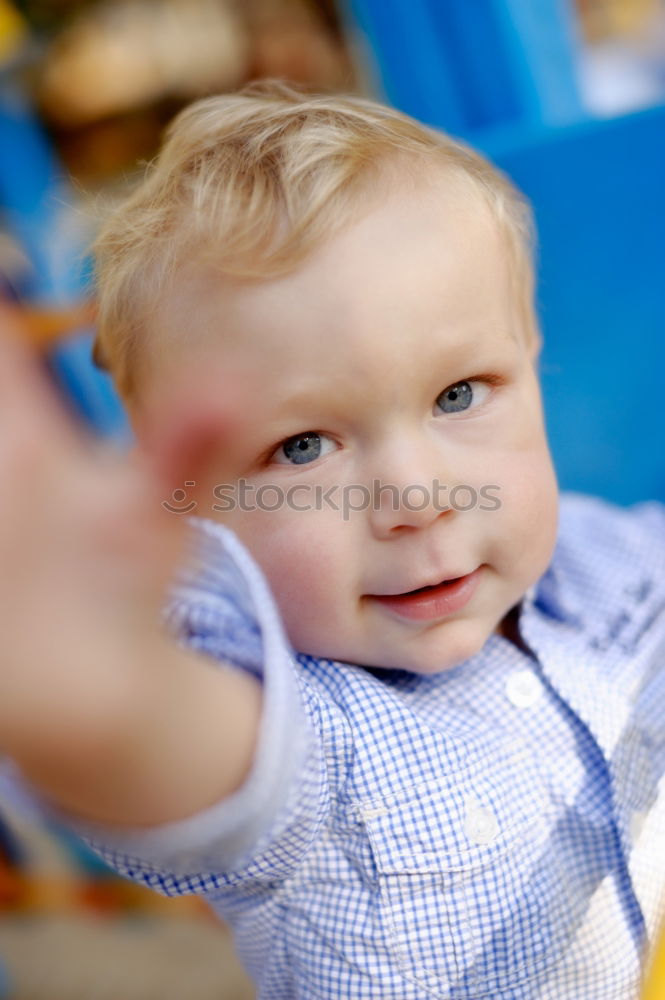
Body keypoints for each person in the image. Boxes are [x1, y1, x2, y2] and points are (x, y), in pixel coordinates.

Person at [1, 81, 664, 1000]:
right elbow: (179, 749)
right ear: (195, 506)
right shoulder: (311, 737)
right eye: (301, 447)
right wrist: (105, 699)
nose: (417, 499)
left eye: (460, 393)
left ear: (529, 355)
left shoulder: (601, 569)